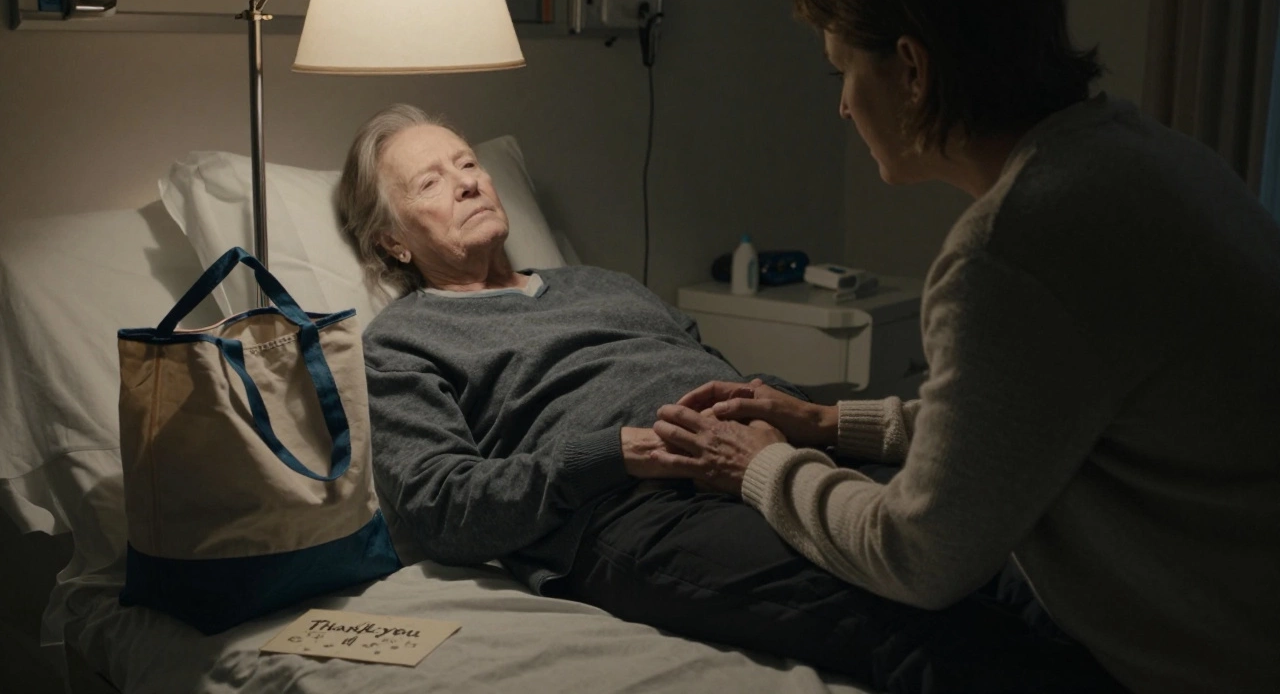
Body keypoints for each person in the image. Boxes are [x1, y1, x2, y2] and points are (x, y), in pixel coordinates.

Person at [340, 103, 1123, 693]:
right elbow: (435, 508)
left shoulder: (600, 285)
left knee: (994, 542)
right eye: (432, 182)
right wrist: (614, 453)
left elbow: (711, 364)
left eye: (467, 160)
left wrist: (774, 405)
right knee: (902, 617)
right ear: (393, 242)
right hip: (631, 510)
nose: (469, 180)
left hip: (761, 450)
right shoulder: (407, 341)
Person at [653, 0, 1280, 693]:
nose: (843, 105)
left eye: (843, 72)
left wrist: (757, 466)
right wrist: (826, 422)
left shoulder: (1016, 248)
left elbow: (919, 556)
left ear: (913, 70)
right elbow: (1019, 418)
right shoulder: (1145, 156)